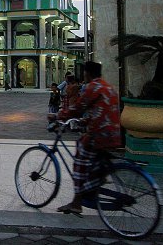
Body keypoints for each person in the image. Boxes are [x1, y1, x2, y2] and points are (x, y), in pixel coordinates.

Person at [49, 61, 120, 214]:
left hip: (99, 135)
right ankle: (95, 181)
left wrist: (57, 116)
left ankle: (76, 202)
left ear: (87, 73)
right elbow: (100, 111)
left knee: (79, 160)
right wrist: (84, 121)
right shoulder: (108, 87)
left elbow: (78, 108)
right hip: (114, 134)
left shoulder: (92, 87)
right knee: (95, 161)